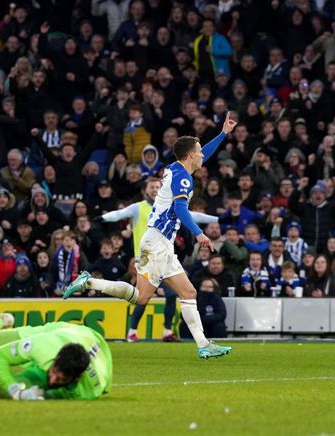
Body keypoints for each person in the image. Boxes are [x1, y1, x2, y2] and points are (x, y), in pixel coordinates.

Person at [64, 113, 237, 359]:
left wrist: (223, 134)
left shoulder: (175, 167)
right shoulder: (184, 179)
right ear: (189, 156)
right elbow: (180, 209)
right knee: (141, 297)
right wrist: (199, 234)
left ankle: (203, 345)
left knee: (188, 293)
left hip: (160, 242)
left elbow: (201, 156)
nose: (202, 155)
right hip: (157, 243)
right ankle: (89, 282)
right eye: (198, 152)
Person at [95, 176, 218, 342]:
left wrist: (216, 219)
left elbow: (192, 215)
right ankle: (132, 331)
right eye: (151, 187)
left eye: (157, 187)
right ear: (145, 190)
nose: (154, 190)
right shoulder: (137, 208)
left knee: (170, 295)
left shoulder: (168, 206)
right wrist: (102, 218)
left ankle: (167, 331)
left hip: (165, 258)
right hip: (144, 259)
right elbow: (119, 214)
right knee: (143, 298)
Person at [0, 315, 112, 400]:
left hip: (95, 345)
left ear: (77, 377)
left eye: (60, 379)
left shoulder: (91, 389)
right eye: (53, 372)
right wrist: (14, 390)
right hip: (61, 333)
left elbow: (57, 394)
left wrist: (38, 394)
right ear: (54, 360)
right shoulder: (42, 346)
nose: (52, 380)